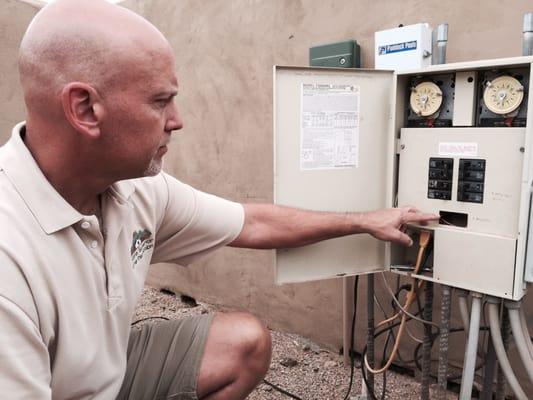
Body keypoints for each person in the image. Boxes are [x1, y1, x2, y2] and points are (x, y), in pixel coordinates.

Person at [0, 0, 438, 399]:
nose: (178, 121)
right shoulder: (9, 251)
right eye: (161, 101)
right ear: (84, 109)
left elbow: (252, 223)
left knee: (242, 342)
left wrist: (365, 221)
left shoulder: (135, 189)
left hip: (102, 377)